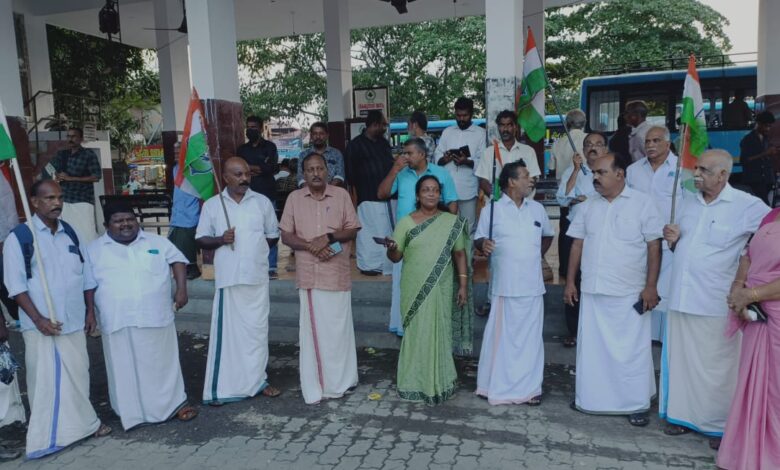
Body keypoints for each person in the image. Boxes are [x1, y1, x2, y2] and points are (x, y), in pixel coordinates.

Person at [661, 149, 770, 449]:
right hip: (683, 297)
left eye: (704, 170)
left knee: (719, 367)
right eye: (696, 169)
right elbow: (684, 248)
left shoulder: (748, 206)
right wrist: (674, 241)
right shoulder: (688, 203)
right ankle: (683, 418)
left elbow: (767, 243)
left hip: (715, 300)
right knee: (682, 363)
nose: (696, 175)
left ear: (723, 174)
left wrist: (750, 286)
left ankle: (721, 427)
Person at [3, 180, 110, 459]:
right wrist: (38, 320)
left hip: (74, 321)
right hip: (42, 327)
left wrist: (90, 312)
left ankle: (85, 426)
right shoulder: (21, 238)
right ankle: (47, 437)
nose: (57, 203)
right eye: (49, 198)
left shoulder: (70, 233)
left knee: (79, 375)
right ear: (34, 203)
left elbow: (86, 276)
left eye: (59, 197)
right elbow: (16, 287)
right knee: (46, 382)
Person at [565, 153, 663, 427]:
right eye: (594, 173)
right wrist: (571, 282)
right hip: (594, 290)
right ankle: (591, 398)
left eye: (601, 172)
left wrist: (651, 287)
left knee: (630, 352)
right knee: (593, 350)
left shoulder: (643, 204)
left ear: (620, 174)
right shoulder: (588, 206)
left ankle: (635, 403)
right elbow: (577, 245)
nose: (595, 177)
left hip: (629, 291)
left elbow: (654, 247)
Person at [83, 202, 197, 430]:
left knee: (162, 363)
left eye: (129, 219)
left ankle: (175, 405)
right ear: (107, 225)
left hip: (155, 315)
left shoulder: (156, 242)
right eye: (118, 220)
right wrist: (90, 313)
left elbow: (178, 260)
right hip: (117, 318)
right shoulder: (93, 249)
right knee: (123, 367)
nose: (125, 224)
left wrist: (181, 289)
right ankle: (131, 413)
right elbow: (88, 284)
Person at [196, 157, 282, 405]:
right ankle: (224, 387)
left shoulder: (262, 202)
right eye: (238, 174)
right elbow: (201, 239)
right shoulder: (213, 206)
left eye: (246, 173)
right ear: (225, 178)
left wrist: (252, 253)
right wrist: (221, 240)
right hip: (230, 280)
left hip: (256, 277)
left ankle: (257, 381)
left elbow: (272, 237)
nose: (244, 178)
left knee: (257, 333)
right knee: (230, 336)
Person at [280, 153, 361, 405]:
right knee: (317, 333)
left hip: (337, 273)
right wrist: (310, 245)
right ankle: (322, 383)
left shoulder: (342, 195)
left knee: (340, 331)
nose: (315, 173)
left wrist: (327, 238)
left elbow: (353, 228)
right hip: (311, 276)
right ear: (303, 174)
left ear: (327, 171)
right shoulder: (294, 198)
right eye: (310, 169)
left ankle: (345, 379)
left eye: (320, 168)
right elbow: (286, 236)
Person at [386, 175, 471, 405]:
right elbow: (395, 257)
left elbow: (460, 254)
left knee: (439, 333)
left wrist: (462, 285)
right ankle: (412, 382)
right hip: (414, 288)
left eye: (435, 190)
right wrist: (392, 248)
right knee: (415, 334)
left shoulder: (450, 221)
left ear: (440, 195)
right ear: (417, 195)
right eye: (426, 190)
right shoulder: (405, 222)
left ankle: (441, 382)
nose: (431, 194)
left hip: (441, 288)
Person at [474, 161, 554, 405]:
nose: (531, 180)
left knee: (530, 341)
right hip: (504, 287)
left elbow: (547, 236)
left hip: (532, 287)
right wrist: (483, 245)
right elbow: (479, 240)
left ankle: (530, 389)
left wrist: (531, 257)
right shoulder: (492, 209)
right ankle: (494, 386)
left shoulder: (537, 208)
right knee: (503, 341)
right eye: (526, 176)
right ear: (511, 182)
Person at [716, 206, 780, 469]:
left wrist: (751, 295)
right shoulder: (773, 214)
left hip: (771, 310)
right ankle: (748, 452)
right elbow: (747, 255)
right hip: (757, 314)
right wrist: (738, 288)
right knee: (755, 383)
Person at [378, 138, 458, 337]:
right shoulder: (401, 174)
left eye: (409, 153)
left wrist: (448, 230)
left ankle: (430, 327)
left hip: (433, 239)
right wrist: (394, 170)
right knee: (402, 284)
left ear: (422, 155)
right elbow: (382, 193)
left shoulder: (441, 174)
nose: (404, 157)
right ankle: (403, 327)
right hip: (405, 238)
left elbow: (452, 203)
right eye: (404, 153)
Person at [626, 126, 681, 342]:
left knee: (666, 290)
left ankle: (666, 339)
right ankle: (644, 337)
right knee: (642, 287)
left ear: (668, 144)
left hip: (670, 242)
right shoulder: (633, 170)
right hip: (641, 242)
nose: (650, 145)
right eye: (647, 141)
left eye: (656, 141)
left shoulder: (682, 169)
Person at [555, 131, 609, 347]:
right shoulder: (573, 170)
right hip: (576, 233)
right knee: (573, 279)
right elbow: (563, 198)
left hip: (603, 234)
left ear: (606, 148)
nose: (592, 148)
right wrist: (577, 170)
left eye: (598, 144)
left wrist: (587, 199)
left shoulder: (613, 170)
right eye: (588, 145)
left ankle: (598, 330)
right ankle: (575, 330)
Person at [345, 110, 394, 276]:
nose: (385, 127)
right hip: (366, 199)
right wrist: (353, 203)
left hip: (388, 199)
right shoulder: (355, 145)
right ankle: (369, 266)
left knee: (387, 233)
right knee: (368, 235)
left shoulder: (384, 143)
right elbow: (350, 178)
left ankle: (388, 265)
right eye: (384, 124)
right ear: (375, 125)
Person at [434, 97, 486, 235]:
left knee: (467, 229)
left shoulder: (480, 134)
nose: (461, 119)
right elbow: (437, 157)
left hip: (468, 189)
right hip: (447, 188)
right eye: (458, 115)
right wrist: (444, 159)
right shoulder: (447, 132)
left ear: (471, 114)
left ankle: (466, 257)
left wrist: (466, 161)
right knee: (445, 229)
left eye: (465, 116)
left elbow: (482, 161)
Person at [236, 116, 280, 279]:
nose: (250, 130)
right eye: (248, 127)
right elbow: (240, 170)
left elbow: (272, 168)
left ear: (261, 129)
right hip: (246, 195)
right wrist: (258, 168)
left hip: (267, 193)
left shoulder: (270, 147)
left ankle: (271, 266)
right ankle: (251, 263)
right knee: (251, 228)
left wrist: (253, 169)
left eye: (254, 127)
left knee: (270, 229)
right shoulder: (242, 150)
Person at [47, 127, 102, 243]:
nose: (70, 139)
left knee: (87, 233)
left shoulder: (88, 154)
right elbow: (49, 167)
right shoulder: (62, 154)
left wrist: (71, 178)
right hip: (65, 199)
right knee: (67, 233)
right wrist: (56, 175)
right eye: (68, 136)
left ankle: (90, 256)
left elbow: (96, 176)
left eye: (74, 136)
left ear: (81, 138)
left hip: (82, 199)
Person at [169, 142, 202, 280]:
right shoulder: (175, 168)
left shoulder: (194, 169)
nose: (177, 155)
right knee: (176, 244)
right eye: (175, 152)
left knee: (187, 243)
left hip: (189, 213)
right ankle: (183, 270)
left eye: (179, 152)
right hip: (177, 213)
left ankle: (193, 269)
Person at [740, 111, 778, 205]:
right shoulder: (748, 139)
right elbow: (744, 160)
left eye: (770, 126)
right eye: (766, 126)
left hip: (767, 178)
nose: (768, 129)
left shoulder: (766, 138)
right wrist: (765, 153)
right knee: (764, 205)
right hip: (755, 179)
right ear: (759, 124)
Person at [296, 122, 346, 188]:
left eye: (321, 133)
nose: (318, 136)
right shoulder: (303, 155)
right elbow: (300, 176)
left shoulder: (336, 153)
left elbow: (340, 175)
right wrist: (312, 191)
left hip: (332, 193)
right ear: (311, 136)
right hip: (309, 193)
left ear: (327, 135)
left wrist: (326, 190)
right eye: (315, 134)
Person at [0, 170, 19, 322]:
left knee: (5, 280)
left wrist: (11, 234)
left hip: (2, 237)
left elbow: (7, 202)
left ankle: (18, 316)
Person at [549, 109, 587, 184]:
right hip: (586, 189)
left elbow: (551, 169)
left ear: (566, 124)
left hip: (564, 189)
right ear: (584, 123)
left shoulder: (556, 143)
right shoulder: (591, 140)